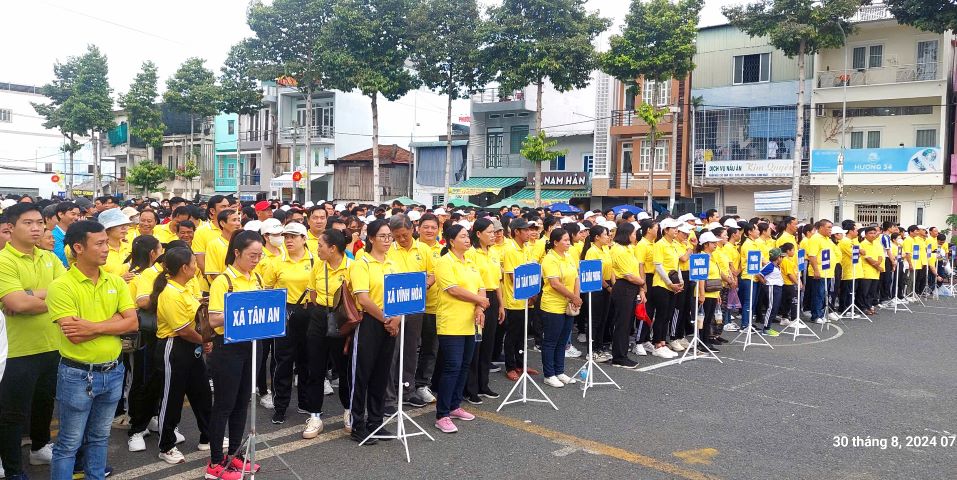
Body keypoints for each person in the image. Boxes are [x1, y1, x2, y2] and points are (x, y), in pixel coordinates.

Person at [47, 220, 138, 479]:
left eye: (106, 242)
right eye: (99, 243)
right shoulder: (62, 286)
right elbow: (75, 335)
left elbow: (132, 323)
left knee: (100, 438)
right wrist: (114, 323)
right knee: (69, 444)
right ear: (78, 247)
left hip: (113, 371)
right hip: (77, 375)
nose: (106, 248)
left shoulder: (116, 282)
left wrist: (93, 327)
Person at [0, 203, 66, 477]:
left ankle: (40, 448)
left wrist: (31, 294)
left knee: (44, 405)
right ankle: (13, 466)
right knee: (12, 413)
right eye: (28, 223)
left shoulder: (50, 258)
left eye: (39, 222)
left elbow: (69, 294)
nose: (37, 227)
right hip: (16, 350)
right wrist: (43, 297)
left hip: (51, 345)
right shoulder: (4, 260)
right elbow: (17, 303)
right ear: (10, 228)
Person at [205, 230, 264, 479]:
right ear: (237, 253)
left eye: (260, 255)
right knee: (224, 405)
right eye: (252, 255)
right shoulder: (223, 281)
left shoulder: (257, 277)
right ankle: (216, 461)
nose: (257, 259)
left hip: (252, 345)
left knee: (242, 403)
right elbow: (214, 318)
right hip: (228, 347)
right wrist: (243, 309)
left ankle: (237, 455)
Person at [150, 247, 212, 464]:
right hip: (173, 348)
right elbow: (183, 329)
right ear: (184, 268)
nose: (196, 266)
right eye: (194, 263)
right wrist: (204, 340)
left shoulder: (184, 288)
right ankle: (166, 446)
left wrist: (201, 340)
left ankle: (208, 436)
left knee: (202, 393)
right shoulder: (170, 293)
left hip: (191, 346)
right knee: (172, 398)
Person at [348, 219, 399, 444]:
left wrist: (395, 319)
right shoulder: (362, 263)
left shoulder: (392, 263)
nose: (387, 240)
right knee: (362, 375)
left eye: (390, 236)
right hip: (369, 322)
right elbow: (363, 299)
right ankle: (357, 423)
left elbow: (399, 295)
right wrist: (386, 319)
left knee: (381, 375)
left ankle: (376, 422)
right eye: (383, 236)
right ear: (371, 238)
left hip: (390, 324)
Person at [433, 224, 487, 433]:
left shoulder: (471, 262)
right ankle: (442, 414)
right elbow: (453, 290)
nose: (467, 239)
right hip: (451, 322)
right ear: (451, 240)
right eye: (463, 236)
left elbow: (480, 286)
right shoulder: (444, 262)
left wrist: (479, 306)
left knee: (465, 364)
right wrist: (481, 302)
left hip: (471, 322)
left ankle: (455, 406)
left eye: (467, 236)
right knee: (452, 366)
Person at [262, 222, 315, 425]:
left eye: (294, 236)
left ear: (304, 238)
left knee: (307, 361)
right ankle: (280, 406)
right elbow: (267, 290)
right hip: (285, 314)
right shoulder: (276, 262)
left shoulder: (315, 260)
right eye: (286, 236)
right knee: (283, 362)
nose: (289, 240)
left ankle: (305, 402)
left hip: (309, 313)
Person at [305, 229, 353, 438]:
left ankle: (349, 411)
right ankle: (315, 416)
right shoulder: (318, 265)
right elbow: (312, 293)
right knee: (314, 368)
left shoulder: (353, 267)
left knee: (345, 369)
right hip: (319, 318)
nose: (317, 250)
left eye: (320, 246)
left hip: (342, 321)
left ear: (333, 248)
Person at [384, 214, 434, 410]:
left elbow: (432, 274)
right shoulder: (388, 249)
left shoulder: (423, 249)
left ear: (412, 229)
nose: (402, 239)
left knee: (411, 349)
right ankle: (388, 397)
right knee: (392, 351)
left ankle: (407, 390)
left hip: (415, 306)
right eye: (397, 237)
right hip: (392, 306)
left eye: (404, 235)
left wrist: (424, 285)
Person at [463, 218, 503, 403]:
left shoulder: (494, 253)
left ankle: (483, 383)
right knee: (476, 344)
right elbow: (471, 281)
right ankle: (471, 388)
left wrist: (501, 305)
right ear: (478, 234)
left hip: (492, 299)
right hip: (476, 300)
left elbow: (497, 283)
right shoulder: (471, 253)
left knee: (488, 343)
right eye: (489, 232)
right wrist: (479, 304)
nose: (493, 235)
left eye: (494, 232)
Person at [539, 228, 582, 388]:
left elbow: (576, 277)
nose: (568, 242)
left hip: (569, 304)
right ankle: (549, 374)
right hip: (553, 305)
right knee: (551, 341)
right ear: (555, 242)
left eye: (568, 239)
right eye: (564, 240)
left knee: (563, 340)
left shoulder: (569, 256)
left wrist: (575, 297)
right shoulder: (549, 259)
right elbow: (555, 283)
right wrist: (573, 297)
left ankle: (560, 371)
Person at [501, 218, 538, 381]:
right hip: (515, 300)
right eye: (526, 230)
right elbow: (512, 276)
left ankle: (521, 364)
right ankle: (510, 366)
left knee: (523, 334)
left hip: (527, 298)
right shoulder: (510, 250)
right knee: (513, 335)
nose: (530, 233)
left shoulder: (527, 248)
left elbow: (531, 270)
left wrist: (532, 293)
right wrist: (528, 293)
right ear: (517, 231)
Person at [413, 213, 443, 404]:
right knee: (409, 349)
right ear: (418, 228)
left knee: (430, 348)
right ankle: (405, 384)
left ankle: (422, 384)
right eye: (426, 227)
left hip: (435, 306)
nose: (430, 230)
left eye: (433, 227)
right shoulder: (411, 247)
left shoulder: (443, 250)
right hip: (413, 306)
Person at [607, 222, 643, 368]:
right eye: (634, 233)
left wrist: (640, 286)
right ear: (627, 234)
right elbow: (629, 275)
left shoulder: (628, 248)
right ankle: (619, 357)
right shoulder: (619, 250)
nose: (635, 236)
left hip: (631, 287)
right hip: (624, 287)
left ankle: (622, 353)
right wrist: (643, 283)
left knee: (627, 322)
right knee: (622, 323)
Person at [650, 218, 683, 358]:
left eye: (677, 228)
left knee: (668, 315)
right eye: (673, 228)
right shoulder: (659, 244)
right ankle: (657, 344)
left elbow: (677, 265)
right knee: (661, 315)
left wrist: (680, 280)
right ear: (665, 230)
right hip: (661, 284)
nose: (676, 230)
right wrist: (669, 283)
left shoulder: (674, 244)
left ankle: (663, 342)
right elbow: (658, 266)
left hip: (672, 284)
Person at [696, 231, 722, 351]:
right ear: (705, 244)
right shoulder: (702, 257)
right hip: (705, 293)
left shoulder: (713, 257)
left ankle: (705, 341)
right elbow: (701, 277)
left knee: (708, 318)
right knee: (704, 319)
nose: (716, 244)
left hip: (713, 292)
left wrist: (718, 294)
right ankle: (702, 342)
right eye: (713, 243)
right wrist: (701, 294)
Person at [806, 220, 835, 324]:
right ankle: (816, 315)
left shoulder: (827, 239)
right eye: (828, 227)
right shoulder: (815, 238)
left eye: (831, 227)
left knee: (824, 294)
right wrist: (816, 270)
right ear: (821, 228)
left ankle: (821, 314)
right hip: (820, 272)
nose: (830, 230)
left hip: (828, 271)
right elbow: (812, 255)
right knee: (818, 294)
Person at [203, 209, 242, 282]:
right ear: (222, 223)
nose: (238, 223)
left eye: (238, 220)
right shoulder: (214, 245)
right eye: (234, 220)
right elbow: (213, 274)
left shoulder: (242, 242)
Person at [756, 248, 784, 336]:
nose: (782, 258)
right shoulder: (770, 266)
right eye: (781, 257)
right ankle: (766, 328)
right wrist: (764, 281)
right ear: (777, 258)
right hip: (772, 287)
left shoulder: (776, 266)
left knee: (775, 308)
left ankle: (768, 327)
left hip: (777, 288)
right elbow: (759, 273)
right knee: (771, 307)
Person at [52, 201, 81, 267]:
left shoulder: (76, 232)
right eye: (73, 214)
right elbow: (63, 258)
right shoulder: (53, 235)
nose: (76, 218)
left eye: (78, 215)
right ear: (61, 214)